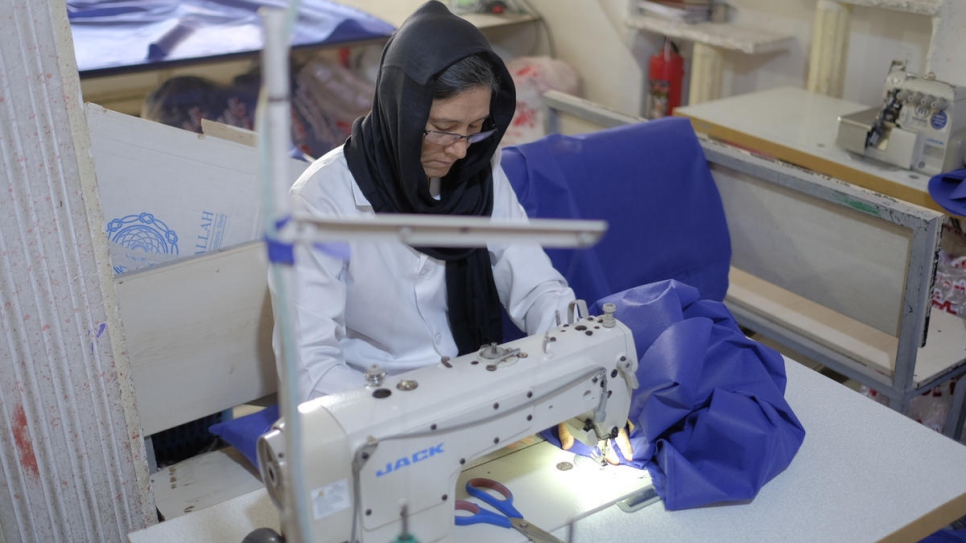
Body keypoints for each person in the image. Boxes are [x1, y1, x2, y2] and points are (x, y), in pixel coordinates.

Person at [272, 0, 576, 402]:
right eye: (444, 129)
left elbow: (535, 286)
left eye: (474, 129)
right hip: (371, 400)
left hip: (469, 381)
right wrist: (409, 412)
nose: (460, 151)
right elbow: (310, 367)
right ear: (403, 112)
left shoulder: (478, 174)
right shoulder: (321, 202)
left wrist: (577, 350)